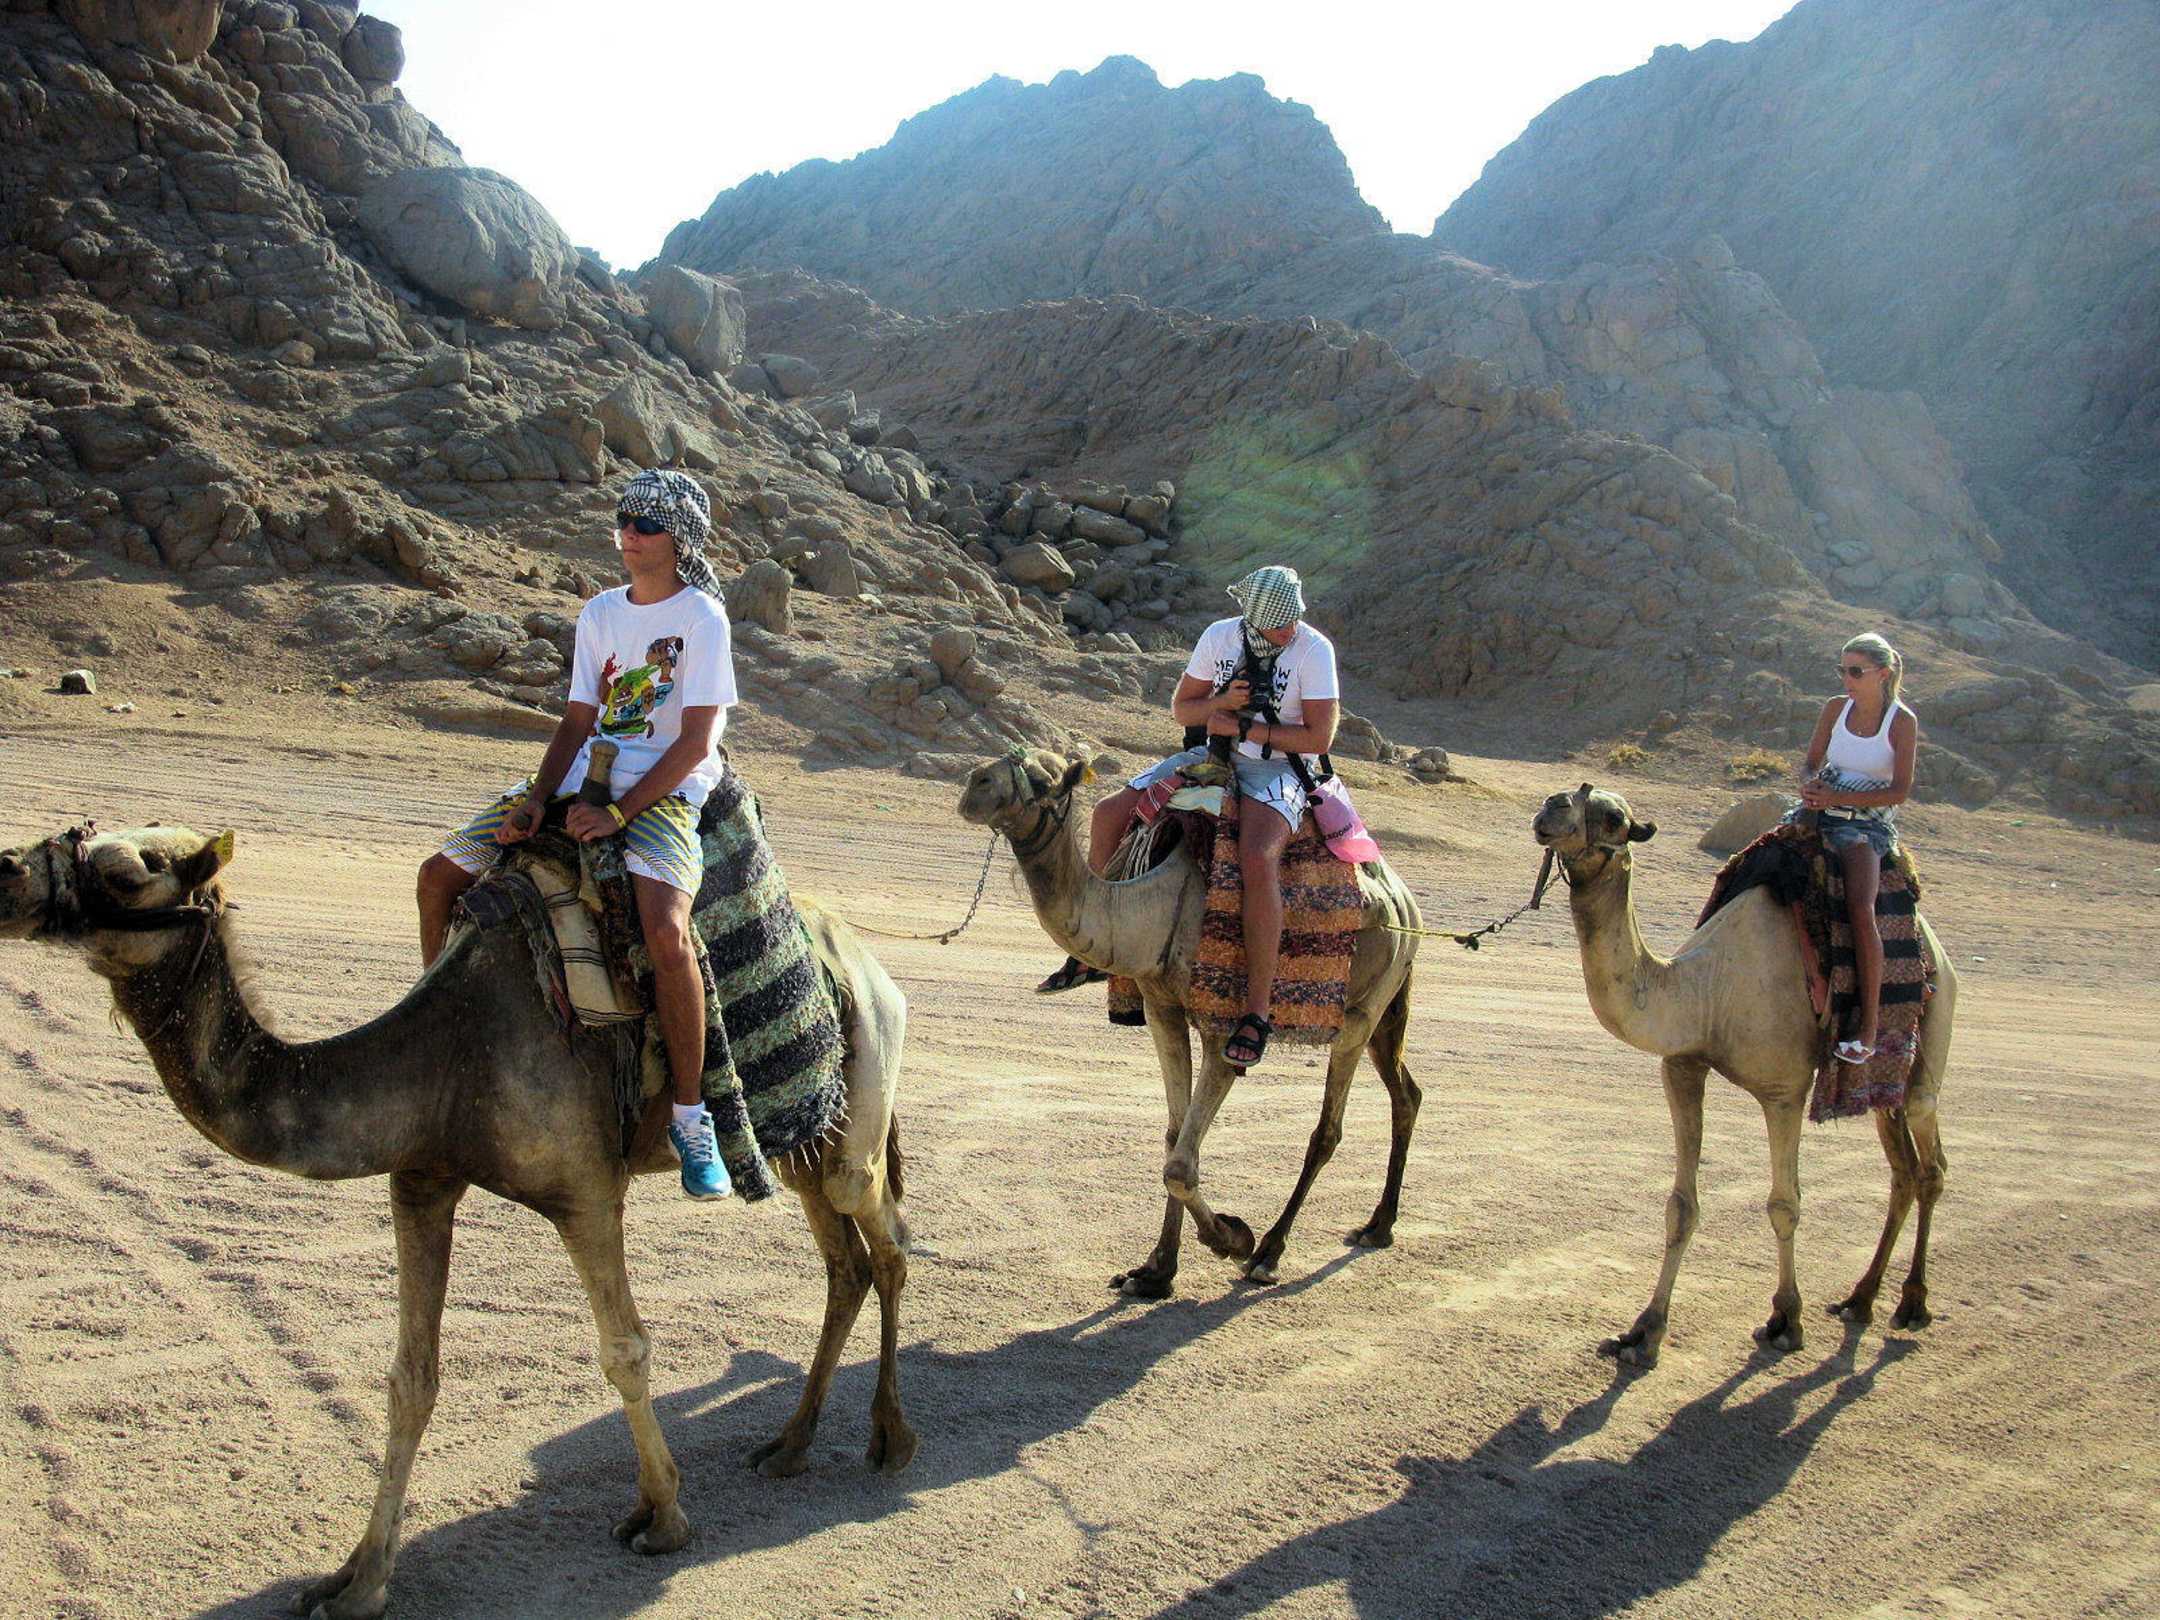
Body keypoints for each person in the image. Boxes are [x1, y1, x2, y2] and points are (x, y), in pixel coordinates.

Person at [417, 469, 738, 1199]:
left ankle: (691, 1118)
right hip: (581, 776)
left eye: (647, 524)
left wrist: (619, 816)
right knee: (438, 877)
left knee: (667, 934)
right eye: (624, 520)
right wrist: (537, 799)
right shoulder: (599, 612)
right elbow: (576, 721)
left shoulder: (701, 619)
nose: (630, 534)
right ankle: (438, 1027)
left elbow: (695, 742)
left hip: (663, 792)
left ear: (680, 538)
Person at [1039, 564, 1339, 1070]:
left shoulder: (1314, 649)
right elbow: (1184, 710)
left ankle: (1257, 1012)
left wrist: (1245, 728)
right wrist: (1222, 704)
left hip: (1280, 768)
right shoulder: (1220, 637)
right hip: (1212, 755)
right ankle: (1094, 947)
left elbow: (1318, 738)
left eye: (1293, 620)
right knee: (1109, 814)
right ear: (1253, 618)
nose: (1288, 630)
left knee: (1257, 857)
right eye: (1278, 623)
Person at [1789, 631, 1918, 1065]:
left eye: (1855, 671)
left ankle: (1868, 1031)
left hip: (1867, 824)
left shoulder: (1901, 722)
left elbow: (1899, 791)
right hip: (1819, 811)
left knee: (1861, 908)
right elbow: (1810, 763)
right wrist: (1810, 786)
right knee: (1756, 867)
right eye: (1842, 670)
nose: (1846, 679)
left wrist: (1840, 798)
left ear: (1882, 673)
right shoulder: (1834, 708)